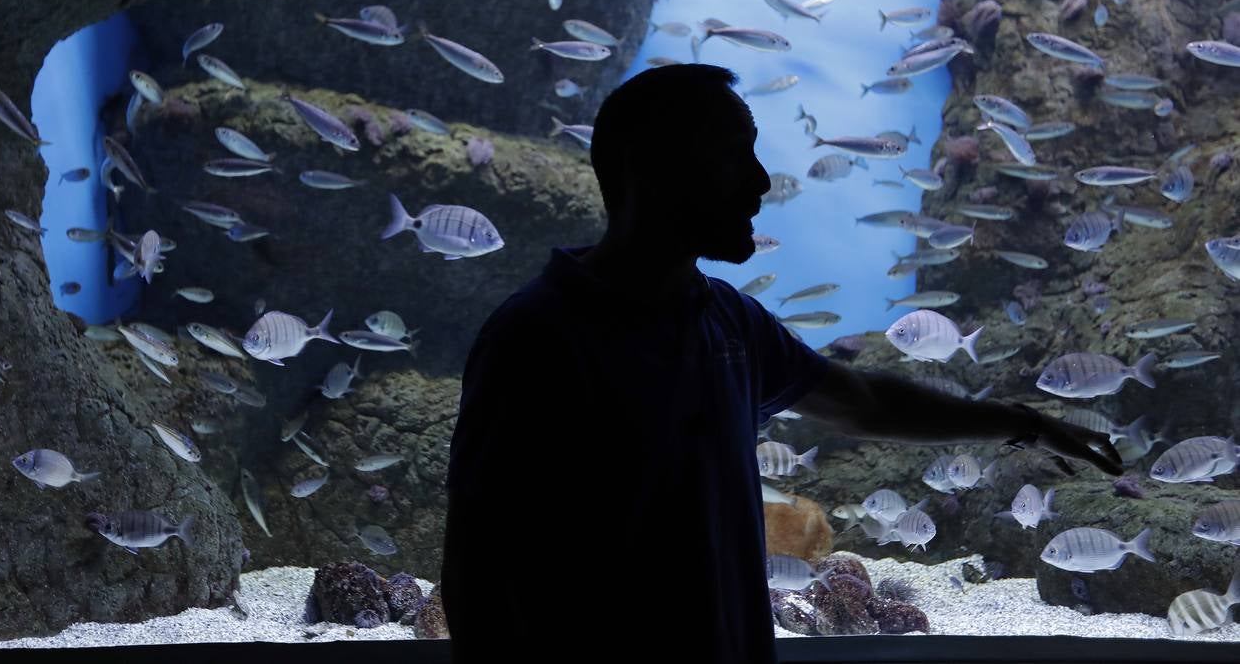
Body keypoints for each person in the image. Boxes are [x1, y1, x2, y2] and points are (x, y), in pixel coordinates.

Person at [440, 64, 1122, 664]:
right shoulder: (537, 338)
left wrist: (1021, 421)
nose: (761, 182)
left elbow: (864, 402)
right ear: (654, 170)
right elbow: (477, 568)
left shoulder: (732, 323)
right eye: (735, 157)